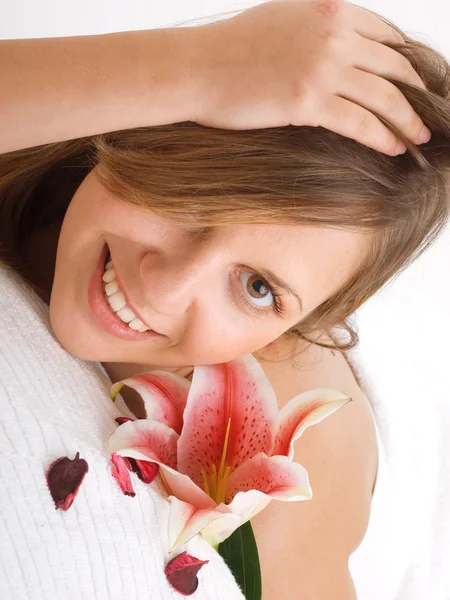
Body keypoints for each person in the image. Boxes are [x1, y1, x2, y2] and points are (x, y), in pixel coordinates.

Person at [0, 0, 449, 598]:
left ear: (302, 324)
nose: (166, 288)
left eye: (257, 289)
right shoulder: (68, 137)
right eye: (190, 197)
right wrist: (201, 64)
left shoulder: (274, 460)